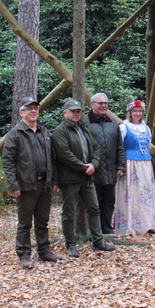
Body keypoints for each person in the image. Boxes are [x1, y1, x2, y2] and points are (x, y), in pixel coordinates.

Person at [52, 98, 115, 257]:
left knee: (94, 208)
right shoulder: (60, 131)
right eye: (73, 111)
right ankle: (71, 245)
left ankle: (98, 240)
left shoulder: (83, 128)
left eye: (78, 111)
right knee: (69, 212)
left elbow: (95, 147)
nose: (76, 114)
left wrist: (93, 165)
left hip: (87, 178)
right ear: (65, 112)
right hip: (70, 178)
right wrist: (83, 167)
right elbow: (64, 154)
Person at [3, 97, 61, 269]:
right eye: (29, 109)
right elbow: (8, 161)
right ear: (21, 113)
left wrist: (54, 180)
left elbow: (52, 158)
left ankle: (44, 250)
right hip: (26, 185)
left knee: (43, 221)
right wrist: (14, 185)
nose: (33, 111)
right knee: (25, 223)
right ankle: (24, 254)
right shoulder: (15, 134)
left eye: (35, 108)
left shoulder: (44, 132)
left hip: (44, 184)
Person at [115, 100, 155, 235]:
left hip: (145, 164)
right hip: (130, 163)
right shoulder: (124, 127)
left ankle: (146, 224)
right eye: (135, 111)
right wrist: (120, 165)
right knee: (130, 194)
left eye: (140, 111)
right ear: (130, 112)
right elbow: (119, 147)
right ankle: (128, 226)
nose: (137, 114)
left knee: (145, 194)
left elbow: (147, 144)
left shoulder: (146, 128)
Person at [87, 93, 126, 235]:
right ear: (92, 104)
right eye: (100, 103)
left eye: (105, 103)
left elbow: (120, 146)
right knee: (94, 202)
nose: (103, 106)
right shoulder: (85, 122)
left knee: (109, 202)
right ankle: (94, 230)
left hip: (111, 170)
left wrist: (121, 166)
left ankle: (107, 228)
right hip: (93, 170)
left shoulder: (113, 123)